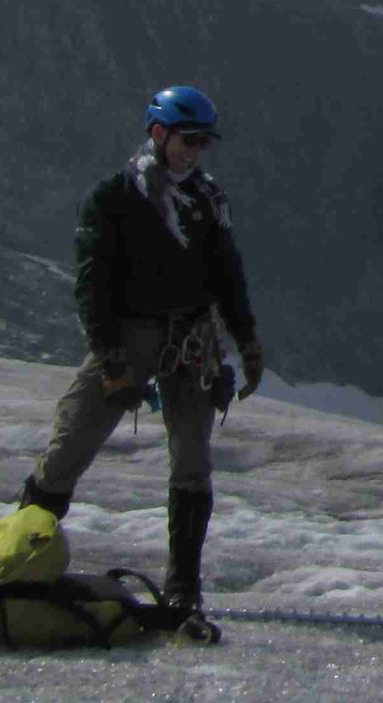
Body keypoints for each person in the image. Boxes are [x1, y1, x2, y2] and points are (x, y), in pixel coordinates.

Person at [16, 85, 264, 618]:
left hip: (193, 340)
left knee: (193, 463)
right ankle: (17, 560)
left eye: (202, 142)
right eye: (188, 139)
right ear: (159, 133)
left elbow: (227, 275)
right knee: (70, 447)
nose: (194, 151)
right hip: (130, 336)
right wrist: (111, 358)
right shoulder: (113, 198)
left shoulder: (204, 201)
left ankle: (184, 588)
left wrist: (245, 340)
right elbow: (93, 283)